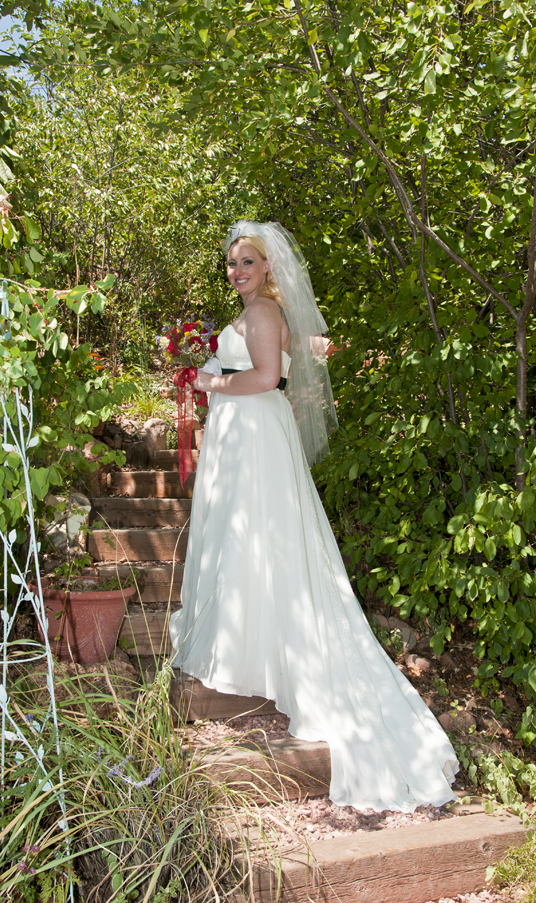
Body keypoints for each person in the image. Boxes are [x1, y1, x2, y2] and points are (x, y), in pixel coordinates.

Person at [170, 221, 458, 812]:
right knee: (238, 537)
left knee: (264, 539)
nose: (238, 271)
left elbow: (268, 378)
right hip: (238, 432)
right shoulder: (252, 314)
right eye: (231, 263)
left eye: (247, 262)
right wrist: (210, 378)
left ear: (269, 266)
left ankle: (271, 650)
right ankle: (237, 641)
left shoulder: (267, 315)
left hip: (255, 436)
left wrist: (208, 380)